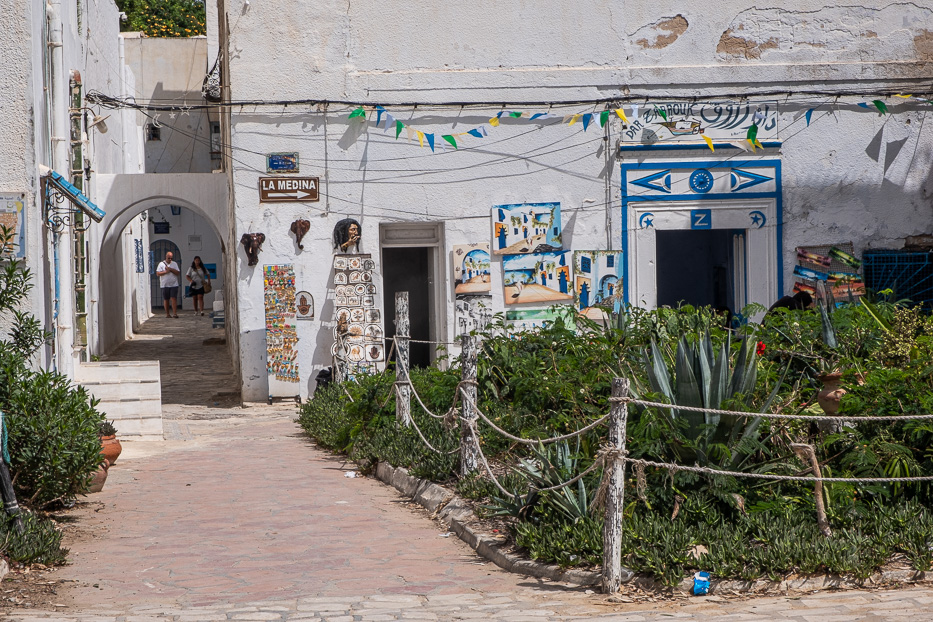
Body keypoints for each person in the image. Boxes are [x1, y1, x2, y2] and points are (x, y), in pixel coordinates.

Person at [156, 251, 181, 318]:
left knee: (173, 298)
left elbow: (177, 273)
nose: (170, 259)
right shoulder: (161, 264)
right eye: (169, 258)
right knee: (166, 299)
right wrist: (166, 272)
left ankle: (175, 313)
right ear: (166, 257)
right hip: (165, 284)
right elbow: (158, 273)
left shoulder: (174, 264)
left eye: (171, 258)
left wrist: (170, 269)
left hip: (174, 284)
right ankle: (167, 314)